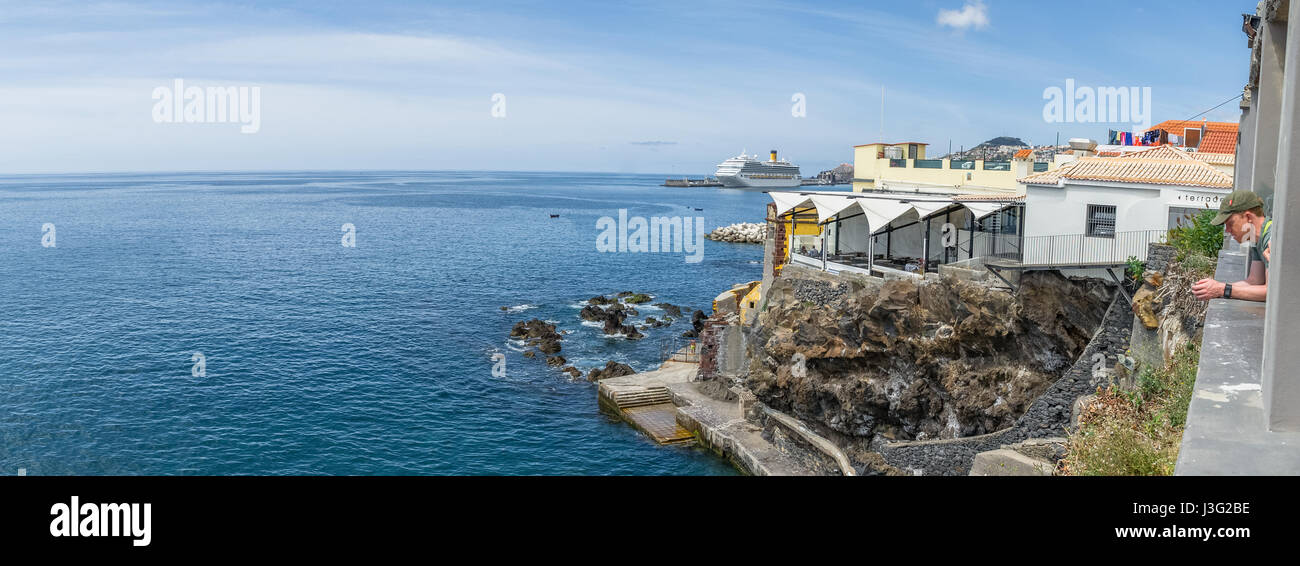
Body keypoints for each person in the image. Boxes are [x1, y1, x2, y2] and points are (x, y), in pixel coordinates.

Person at [1191, 190, 1272, 302]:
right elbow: (1254, 280)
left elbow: (1270, 292)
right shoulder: (1256, 239)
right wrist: (1217, 287)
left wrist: (1222, 289)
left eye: (1230, 224)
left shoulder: (1271, 237)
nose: (1228, 230)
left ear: (1248, 217)